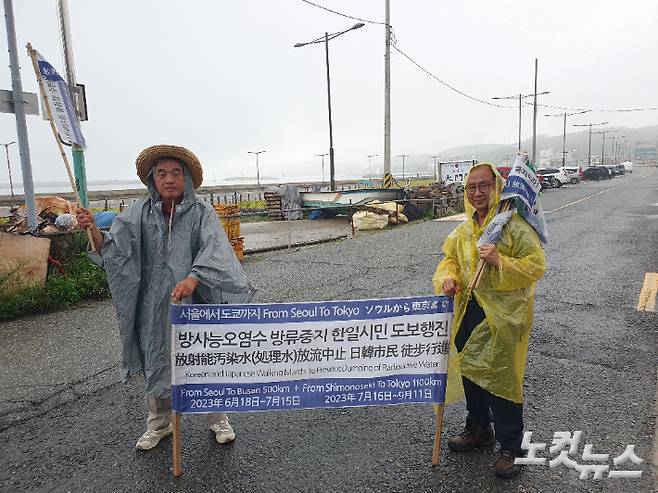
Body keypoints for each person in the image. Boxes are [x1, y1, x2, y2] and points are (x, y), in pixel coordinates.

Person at [77, 145, 255, 451]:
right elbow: (113, 251)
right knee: (156, 356)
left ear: (185, 178)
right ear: (152, 179)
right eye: (162, 173)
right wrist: (92, 227)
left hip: (197, 302)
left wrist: (193, 277)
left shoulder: (202, 212)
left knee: (202, 358)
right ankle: (159, 424)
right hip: (153, 304)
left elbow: (215, 249)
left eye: (175, 173)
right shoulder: (137, 214)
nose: (169, 179)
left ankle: (218, 419)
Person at [432, 163, 546, 479]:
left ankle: (511, 446)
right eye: (472, 187)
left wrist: (500, 261)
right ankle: (479, 427)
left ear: (496, 188)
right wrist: (449, 279)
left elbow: (536, 266)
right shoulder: (465, 230)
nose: (478, 192)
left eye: (484, 186)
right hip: (468, 309)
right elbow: (449, 259)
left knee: (502, 378)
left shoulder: (514, 226)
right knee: (471, 370)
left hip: (503, 316)